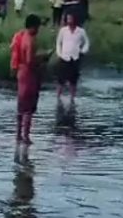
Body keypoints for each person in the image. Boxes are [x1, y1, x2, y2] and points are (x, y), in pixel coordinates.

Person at [11, 14, 50, 144]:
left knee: (21, 106)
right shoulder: (31, 40)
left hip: (21, 73)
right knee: (28, 108)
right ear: (33, 26)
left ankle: (18, 135)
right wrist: (43, 57)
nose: (38, 30)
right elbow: (30, 60)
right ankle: (26, 137)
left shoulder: (21, 36)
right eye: (38, 27)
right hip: (29, 74)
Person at [56, 13, 90, 103]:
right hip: (64, 57)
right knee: (61, 80)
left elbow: (86, 42)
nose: (69, 20)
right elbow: (58, 43)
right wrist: (59, 53)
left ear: (75, 19)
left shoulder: (81, 31)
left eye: (70, 18)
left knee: (73, 80)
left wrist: (83, 51)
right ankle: (58, 97)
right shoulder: (63, 30)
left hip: (75, 57)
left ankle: (72, 98)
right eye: (67, 18)